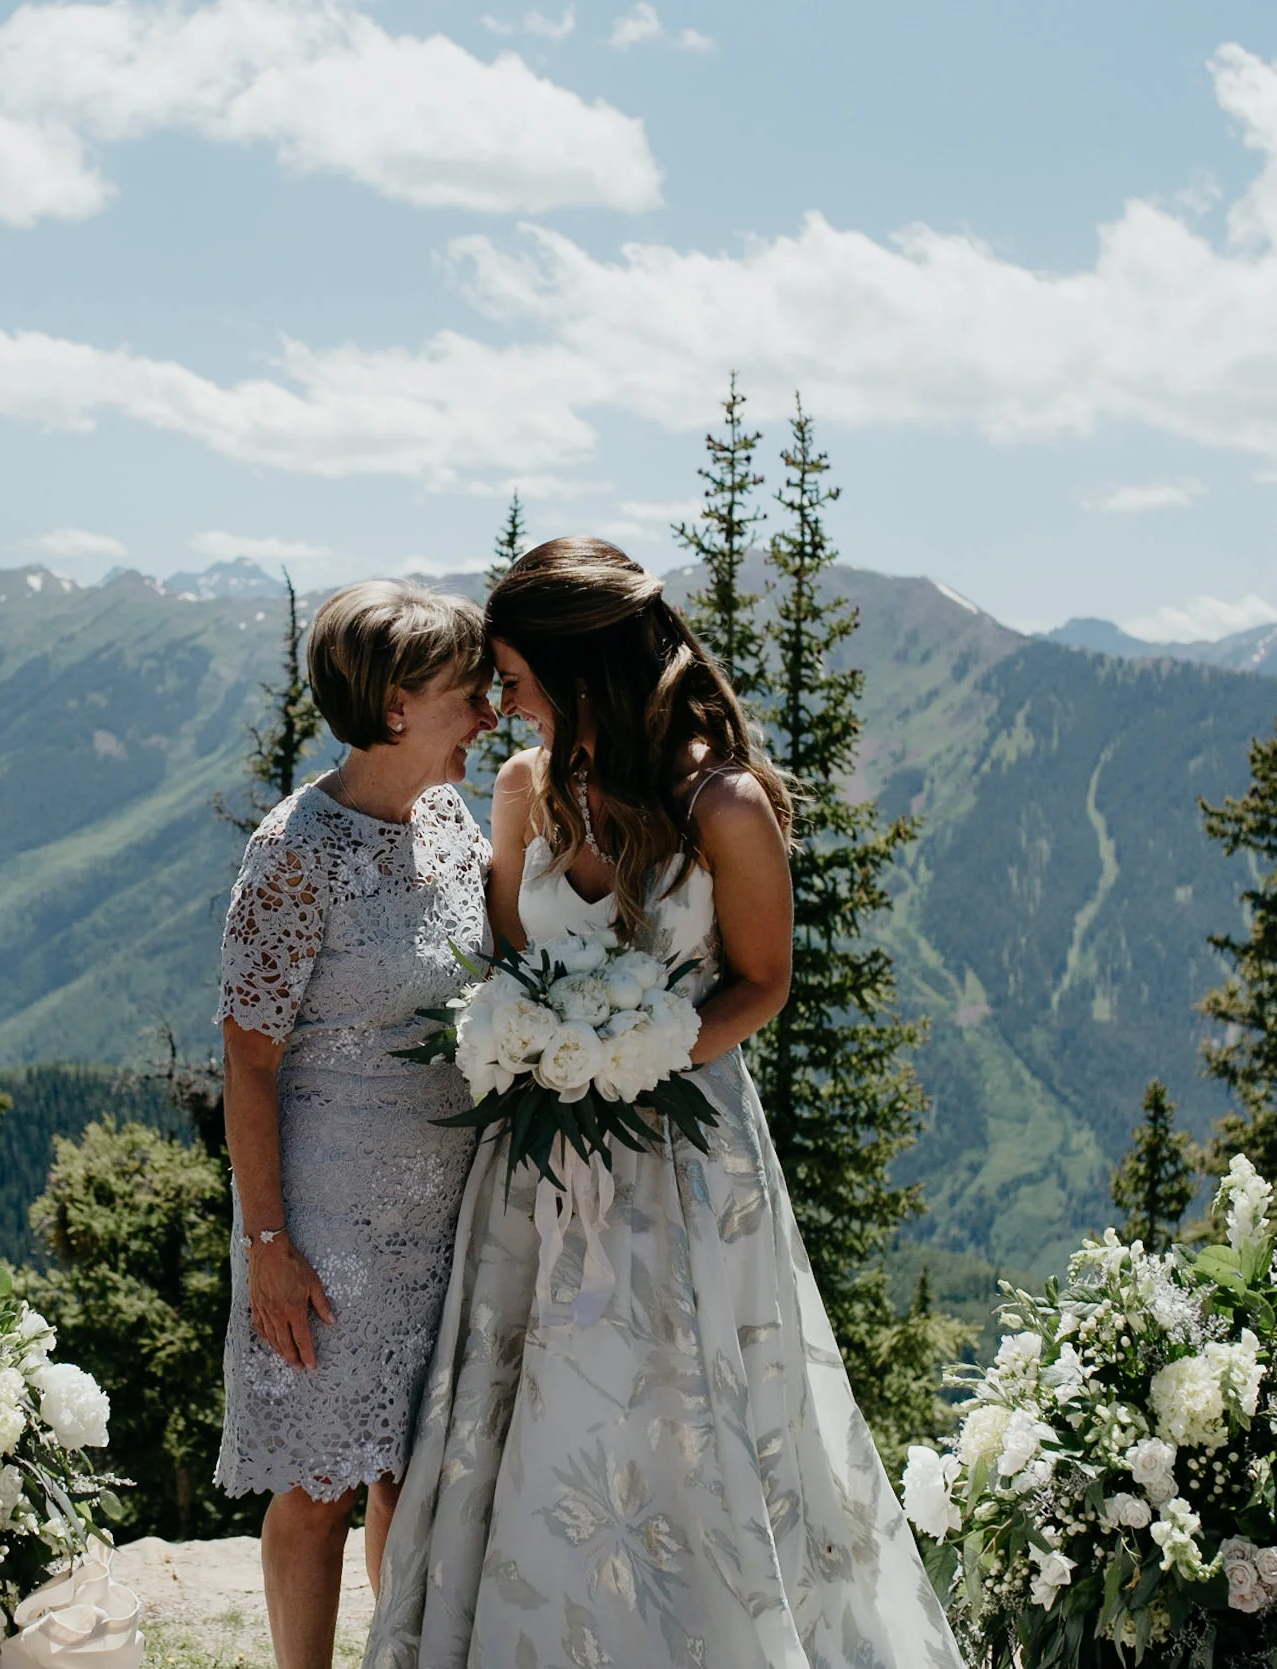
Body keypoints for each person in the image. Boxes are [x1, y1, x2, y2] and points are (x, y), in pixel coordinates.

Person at [365, 539, 963, 1669]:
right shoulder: (521, 791)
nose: (502, 701)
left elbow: (763, 979)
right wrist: (540, 1044)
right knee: (537, 1406)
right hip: (536, 1170)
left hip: (686, 1163)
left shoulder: (722, 802)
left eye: (516, 673)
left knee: (677, 1411)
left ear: (578, 665)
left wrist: (642, 1052)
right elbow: (506, 959)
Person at [214, 579, 499, 1669]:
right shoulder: (295, 849)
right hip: (326, 1226)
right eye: (465, 693)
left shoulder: (449, 820)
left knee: (411, 1473)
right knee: (320, 1478)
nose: (484, 712)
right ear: (392, 705)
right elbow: (247, 1058)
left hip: (450, 1212)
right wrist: (268, 1246)